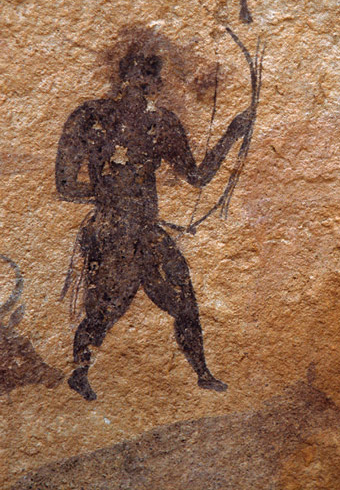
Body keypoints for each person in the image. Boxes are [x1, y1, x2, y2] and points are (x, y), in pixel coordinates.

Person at [56, 39, 252, 401]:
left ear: (158, 84)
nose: (143, 84)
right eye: (137, 75)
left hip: (148, 233)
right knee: (102, 311)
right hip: (111, 233)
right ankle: (79, 373)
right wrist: (107, 193)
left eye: (151, 78)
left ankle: (203, 373)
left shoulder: (161, 122)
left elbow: (196, 176)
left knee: (185, 301)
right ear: (121, 76)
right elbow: (65, 186)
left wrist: (231, 132)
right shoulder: (89, 117)